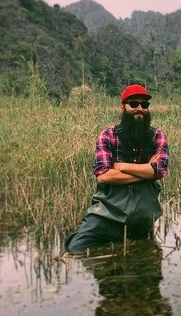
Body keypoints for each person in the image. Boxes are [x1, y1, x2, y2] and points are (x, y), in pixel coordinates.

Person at [64, 84, 169, 253]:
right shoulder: (107, 135)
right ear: (123, 107)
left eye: (144, 105)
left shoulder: (158, 135)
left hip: (142, 217)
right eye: (133, 104)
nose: (140, 109)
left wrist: (121, 166)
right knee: (74, 248)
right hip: (107, 214)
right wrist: (146, 171)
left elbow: (160, 170)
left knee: (144, 265)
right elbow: (104, 176)